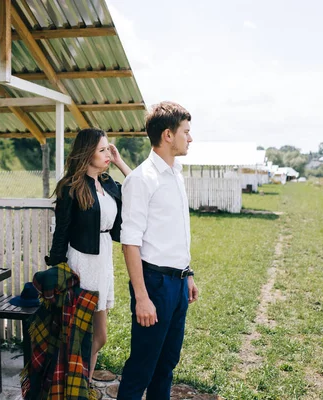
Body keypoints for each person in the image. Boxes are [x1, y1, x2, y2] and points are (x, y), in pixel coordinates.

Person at [117, 101, 199, 400]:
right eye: (186, 132)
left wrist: (187, 273)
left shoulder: (176, 173)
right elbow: (130, 242)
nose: (190, 138)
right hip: (154, 285)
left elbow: (174, 232)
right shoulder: (141, 179)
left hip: (177, 285)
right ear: (168, 134)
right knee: (142, 367)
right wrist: (142, 297)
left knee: (166, 366)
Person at [45, 127, 131, 387]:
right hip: (81, 263)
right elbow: (61, 233)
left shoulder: (107, 184)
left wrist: (119, 162)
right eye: (102, 150)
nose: (108, 154)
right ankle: (77, 386)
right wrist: (59, 269)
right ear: (87, 153)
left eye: (109, 149)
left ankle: (81, 383)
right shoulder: (71, 187)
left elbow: (139, 188)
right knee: (80, 334)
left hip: (103, 258)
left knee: (100, 335)